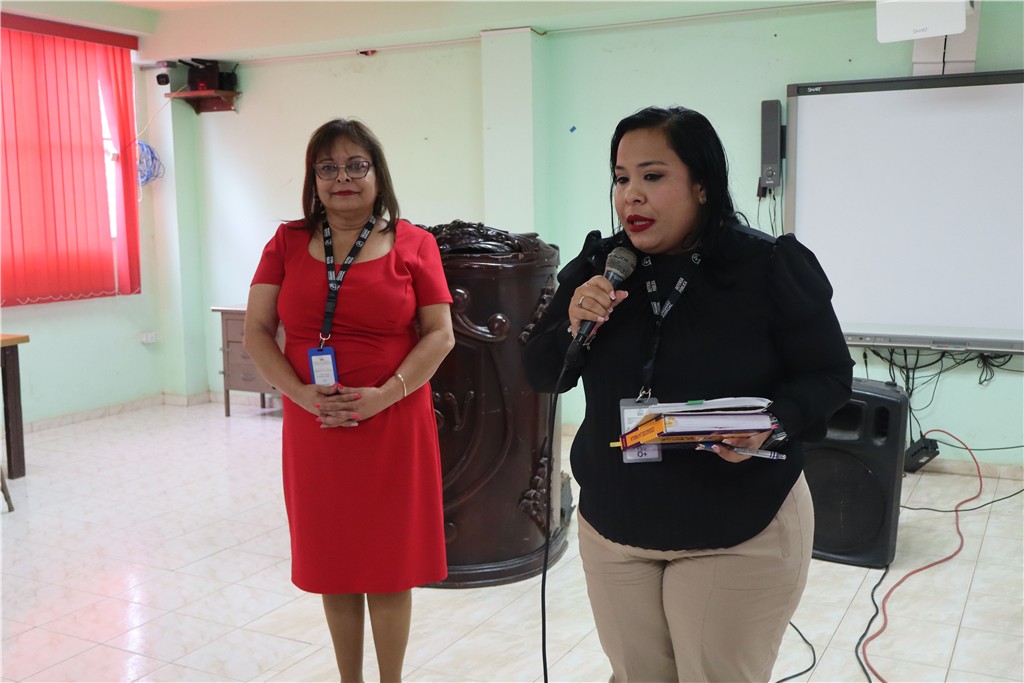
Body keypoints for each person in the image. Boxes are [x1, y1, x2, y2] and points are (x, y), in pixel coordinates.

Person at [522, 106, 854, 682]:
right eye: (621, 178)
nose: (631, 195)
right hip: (616, 524)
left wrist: (773, 422)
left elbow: (828, 375)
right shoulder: (602, 268)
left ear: (702, 184)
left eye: (652, 176)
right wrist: (570, 323)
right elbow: (540, 372)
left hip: (736, 524)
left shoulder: (767, 266)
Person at [244, 118, 454, 682]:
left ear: (378, 174)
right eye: (328, 167)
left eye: (357, 165)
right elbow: (257, 332)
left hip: (393, 421)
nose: (343, 177)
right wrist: (301, 395)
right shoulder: (286, 243)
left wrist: (386, 395)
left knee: (389, 565)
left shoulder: (415, 243)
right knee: (333, 563)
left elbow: (440, 334)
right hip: (317, 426)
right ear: (313, 179)